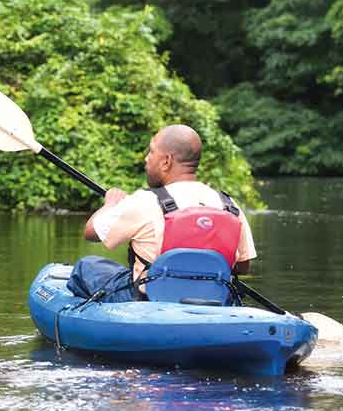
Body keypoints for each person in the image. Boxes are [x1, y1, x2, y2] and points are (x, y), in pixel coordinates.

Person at [67, 124, 257, 302]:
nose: (146, 158)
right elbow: (242, 266)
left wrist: (109, 205)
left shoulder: (145, 200)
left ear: (166, 161)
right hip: (214, 299)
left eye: (151, 152)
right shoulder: (228, 204)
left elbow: (91, 232)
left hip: (150, 301)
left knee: (87, 265)